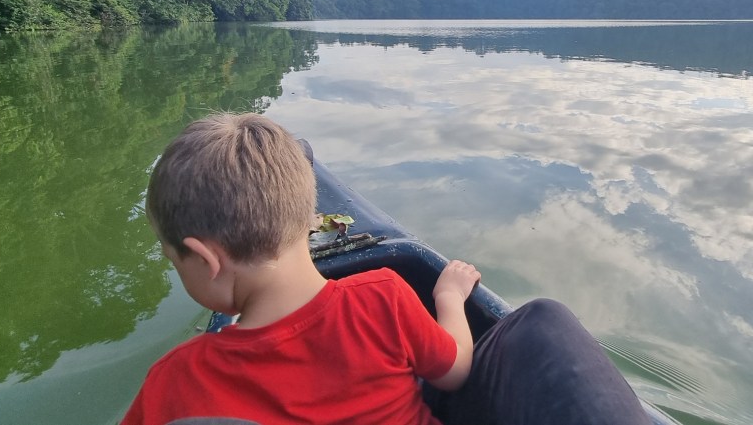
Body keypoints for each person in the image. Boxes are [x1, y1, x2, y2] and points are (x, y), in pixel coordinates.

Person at [123, 113, 649, 425]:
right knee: (544, 320)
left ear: (206, 259)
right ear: (309, 220)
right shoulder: (382, 296)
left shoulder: (176, 379)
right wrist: (448, 299)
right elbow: (455, 371)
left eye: (175, 260)